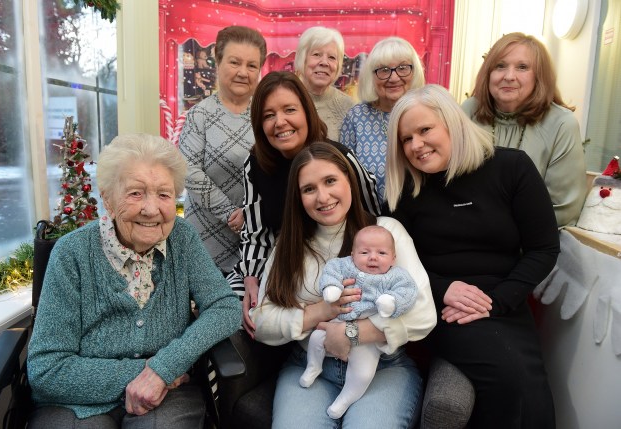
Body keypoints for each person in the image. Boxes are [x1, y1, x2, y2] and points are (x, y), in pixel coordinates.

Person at [27, 134, 241, 428]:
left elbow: (225, 307)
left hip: (168, 396)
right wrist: (147, 372)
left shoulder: (183, 238)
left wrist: (165, 367)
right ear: (108, 200)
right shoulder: (71, 254)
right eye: (136, 193)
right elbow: (46, 370)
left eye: (164, 194)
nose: (152, 209)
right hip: (76, 401)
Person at [384, 84, 560, 429]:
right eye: (406, 139)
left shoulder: (512, 168)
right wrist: (441, 289)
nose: (416, 145)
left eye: (424, 130)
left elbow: (544, 248)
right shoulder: (404, 190)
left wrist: (496, 301)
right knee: (509, 378)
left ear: (452, 123)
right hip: (441, 309)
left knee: (529, 382)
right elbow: (393, 265)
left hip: (504, 302)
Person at [251, 142, 436, 427]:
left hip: (382, 368)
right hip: (309, 364)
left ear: (349, 180)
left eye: (330, 181)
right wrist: (319, 311)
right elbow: (261, 321)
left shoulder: (386, 232)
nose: (322, 196)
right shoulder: (289, 245)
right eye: (309, 189)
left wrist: (352, 333)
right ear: (298, 197)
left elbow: (423, 313)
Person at [228, 71, 381, 337]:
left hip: (335, 260)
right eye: (268, 115)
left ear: (307, 112)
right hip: (276, 261)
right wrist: (250, 277)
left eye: (289, 110)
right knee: (232, 310)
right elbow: (255, 232)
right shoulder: (256, 164)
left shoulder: (338, 158)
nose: (280, 122)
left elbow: (372, 213)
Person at [461, 32, 587, 227]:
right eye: (500, 66)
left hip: (529, 243)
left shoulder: (562, 124)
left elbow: (563, 209)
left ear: (539, 76)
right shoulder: (468, 111)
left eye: (522, 67)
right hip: (465, 233)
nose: (509, 76)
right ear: (488, 73)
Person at [300, 225, 418, 419]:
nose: (373, 257)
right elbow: (332, 271)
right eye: (364, 252)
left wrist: (391, 302)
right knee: (315, 340)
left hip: (367, 338)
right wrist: (332, 287)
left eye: (381, 252)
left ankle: (346, 398)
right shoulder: (345, 265)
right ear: (353, 254)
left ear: (393, 258)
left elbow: (408, 292)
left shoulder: (395, 275)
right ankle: (314, 366)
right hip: (337, 321)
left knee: (363, 374)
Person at [179, 25, 267, 273]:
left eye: (252, 66)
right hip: (206, 237)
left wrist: (251, 215)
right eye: (234, 62)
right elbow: (189, 172)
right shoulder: (200, 115)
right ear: (218, 62)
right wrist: (231, 213)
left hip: (258, 237)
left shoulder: (266, 115)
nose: (243, 72)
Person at [340, 37, 425, 202]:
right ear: (371, 76)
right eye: (384, 70)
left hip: (420, 215)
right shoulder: (356, 117)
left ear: (414, 72)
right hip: (370, 217)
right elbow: (343, 173)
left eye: (402, 68)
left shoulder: (426, 112)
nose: (393, 78)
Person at [294, 26, 355, 141]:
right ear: (303, 59)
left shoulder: (349, 107)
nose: (324, 62)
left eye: (332, 57)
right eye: (317, 54)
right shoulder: (286, 99)